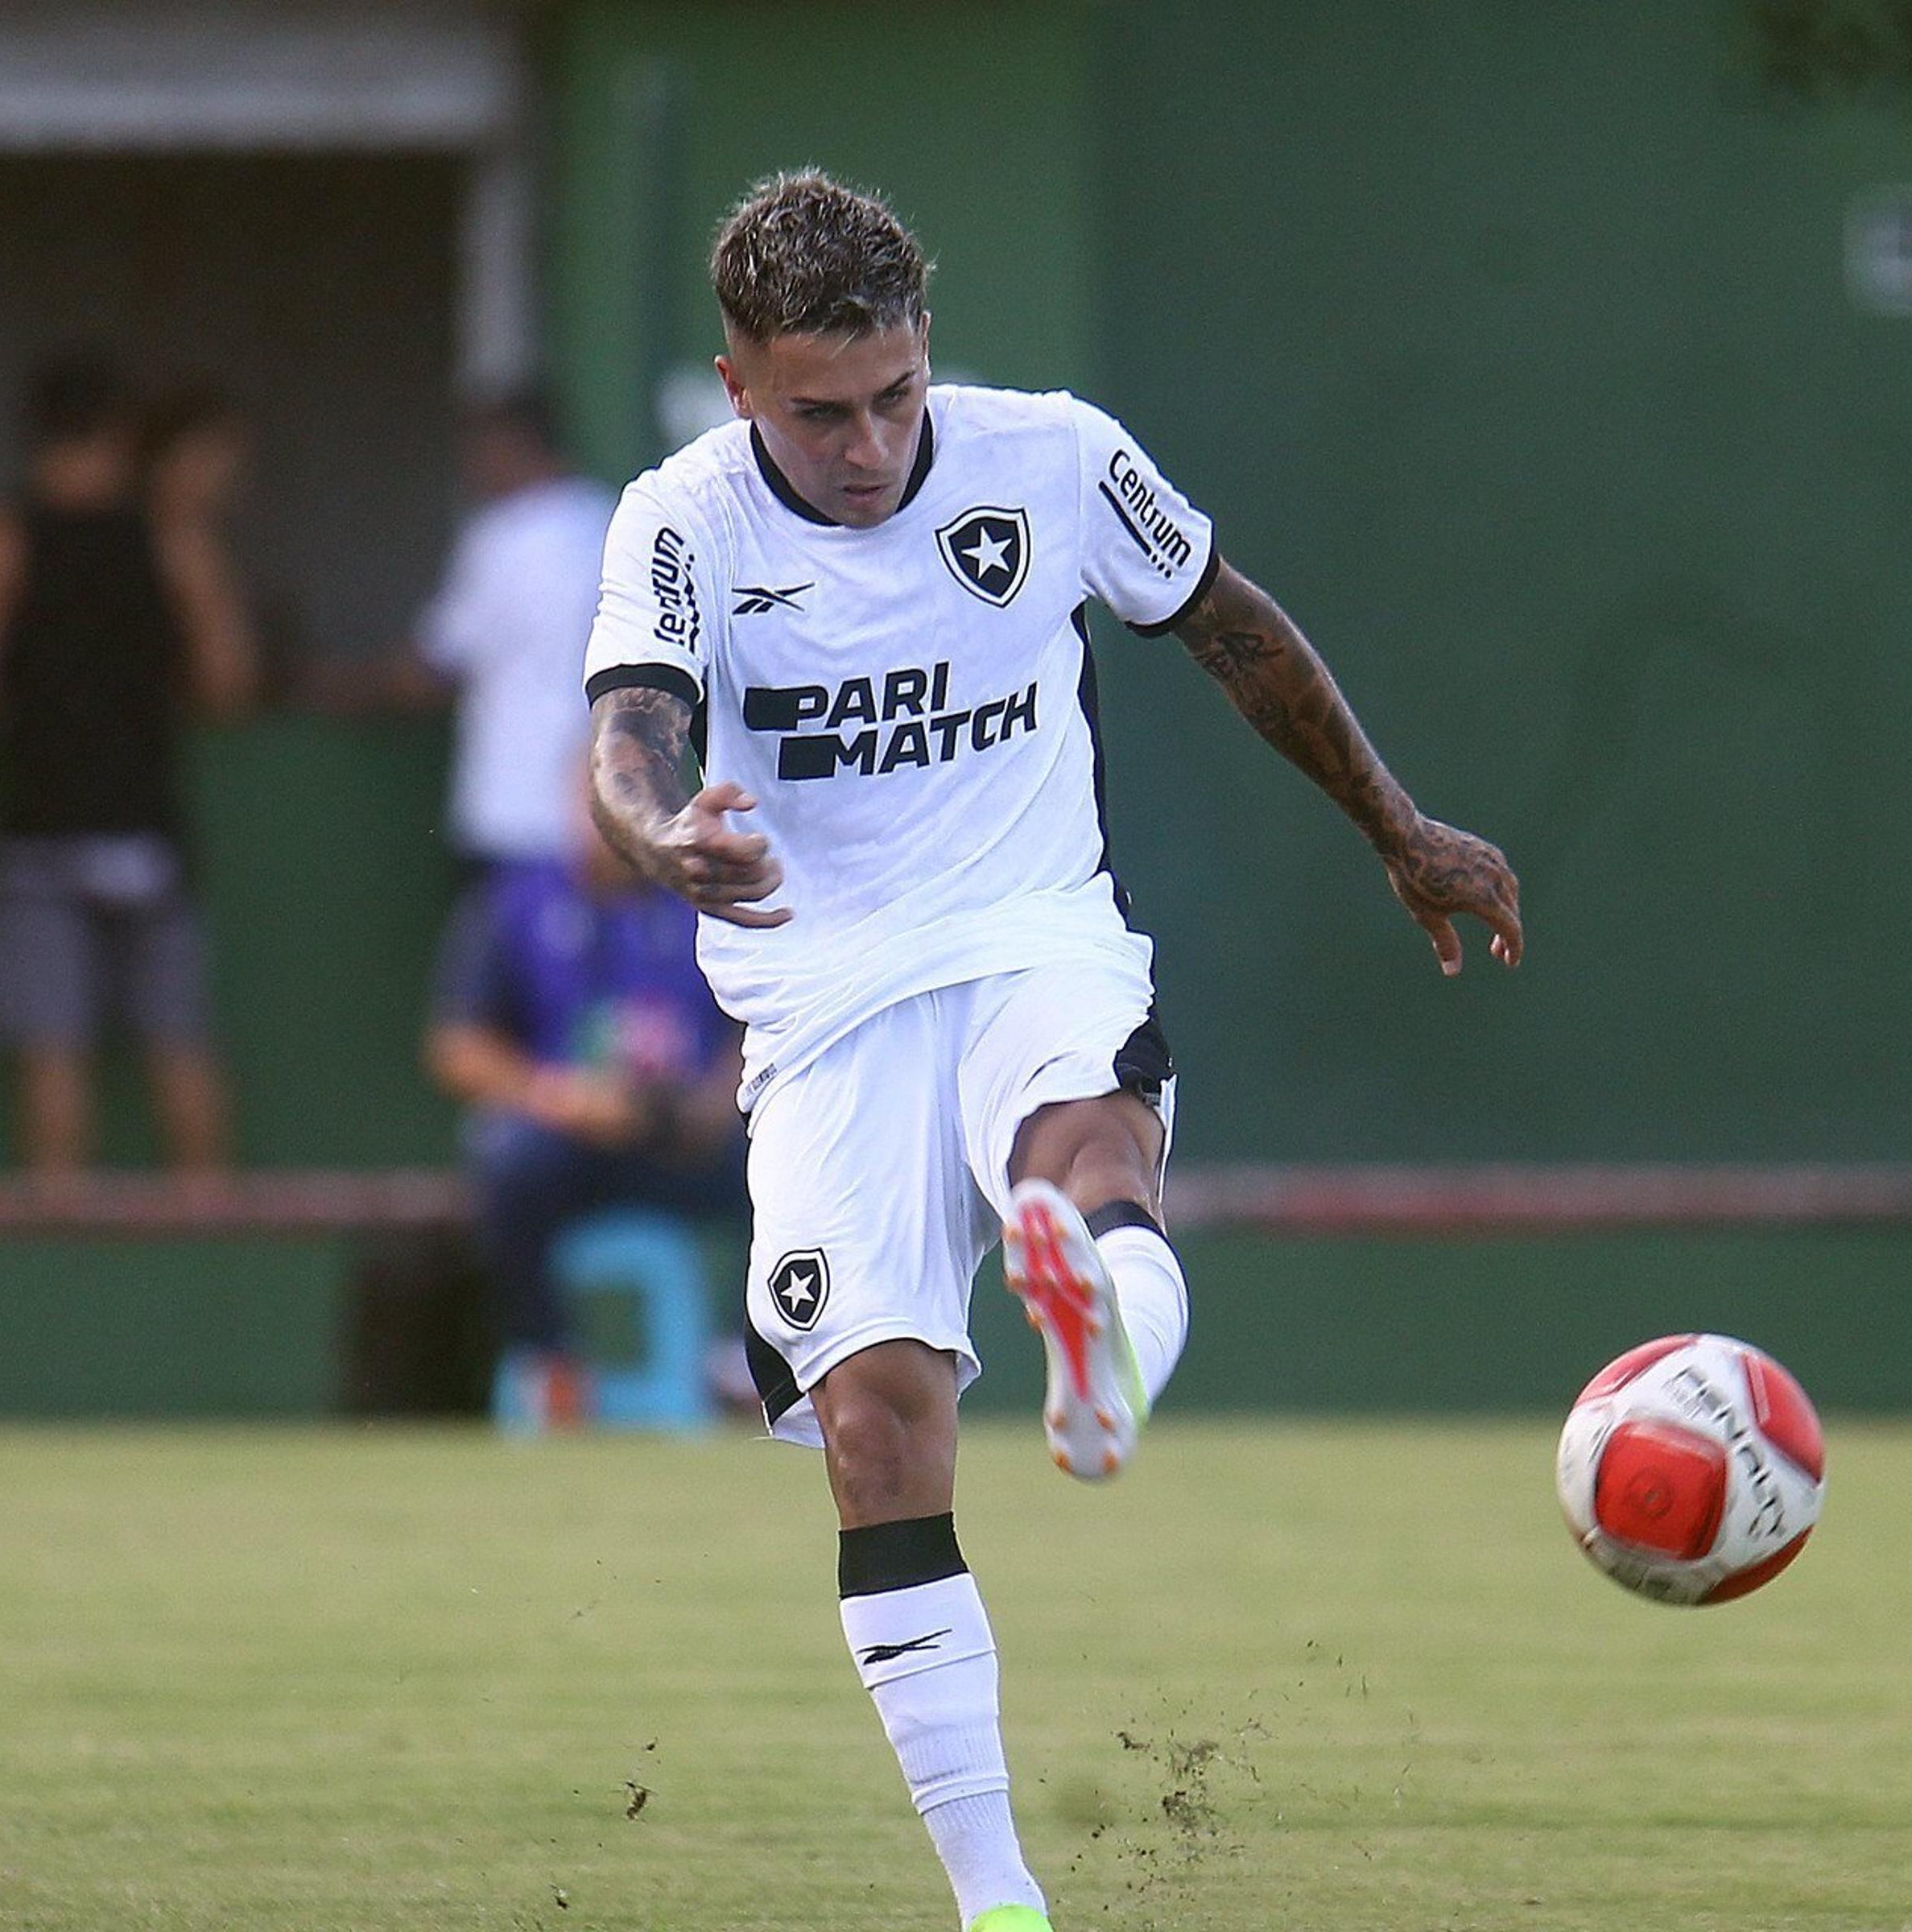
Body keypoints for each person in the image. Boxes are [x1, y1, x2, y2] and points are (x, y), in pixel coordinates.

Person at [580, 171, 1522, 1932]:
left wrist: (1397, 824)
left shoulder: (1057, 459)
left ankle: (1099, 1348)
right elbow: (634, 729)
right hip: (824, 1005)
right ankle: (999, 1902)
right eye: (819, 411)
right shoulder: (683, 523)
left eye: (894, 397)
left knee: (1086, 1152)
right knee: (878, 1429)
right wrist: (658, 840)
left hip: (1034, 930)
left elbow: (1234, 629)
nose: (867, 444)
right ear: (736, 387)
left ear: (928, 354)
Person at [0, 359, 255, 1184]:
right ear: (121, 436)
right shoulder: (171, 539)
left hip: (40, 826)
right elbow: (228, 683)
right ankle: (213, 1246)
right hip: (147, 829)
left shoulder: (10, 539)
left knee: (53, 1053)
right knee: (179, 1045)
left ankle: (65, 1261)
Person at [425, 796, 745, 1426]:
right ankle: (547, 1362)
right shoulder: (511, 904)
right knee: (506, 1163)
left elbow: (755, 1022)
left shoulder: (703, 904)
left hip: (677, 1134)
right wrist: (557, 1096)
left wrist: (716, 1099)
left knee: (779, 1159)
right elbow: (456, 1047)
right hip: (562, 1136)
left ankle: (746, 1357)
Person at [410, 393, 617, 869]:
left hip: (514, 809)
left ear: (515, 446)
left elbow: (435, 666)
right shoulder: (610, 522)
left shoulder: (500, 536)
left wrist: (340, 684)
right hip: (600, 812)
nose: (472, 470)